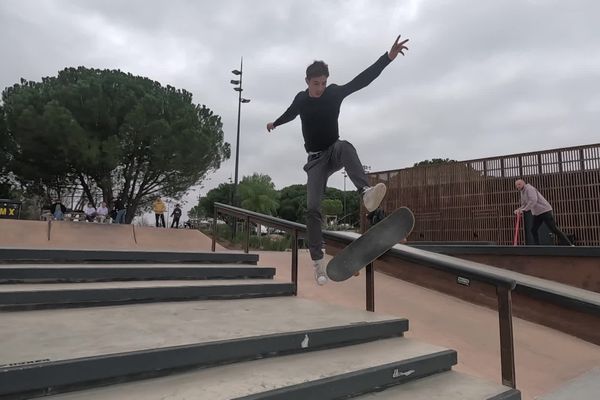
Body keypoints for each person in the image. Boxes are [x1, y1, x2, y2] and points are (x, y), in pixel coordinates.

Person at [266, 34, 409, 286]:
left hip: (333, 151)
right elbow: (290, 112)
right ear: (307, 82)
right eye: (315, 84)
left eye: (322, 83)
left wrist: (387, 58)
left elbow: (361, 81)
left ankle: (365, 192)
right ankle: (318, 263)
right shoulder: (301, 99)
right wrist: (275, 123)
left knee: (345, 146)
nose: (319, 88)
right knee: (312, 208)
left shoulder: (333, 94)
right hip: (315, 162)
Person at [514, 179, 574, 246]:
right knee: (533, 230)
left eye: (519, 184)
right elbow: (524, 204)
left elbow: (533, 200)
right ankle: (537, 246)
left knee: (554, 229)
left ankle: (569, 244)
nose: (518, 186)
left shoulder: (529, 189)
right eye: (516, 185)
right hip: (537, 213)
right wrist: (519, 209)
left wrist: (524, 210)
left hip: (545, 211)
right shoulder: (522, 192)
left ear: (523, 183)